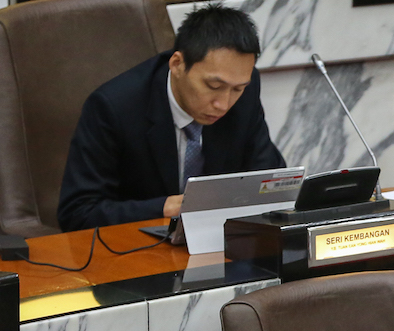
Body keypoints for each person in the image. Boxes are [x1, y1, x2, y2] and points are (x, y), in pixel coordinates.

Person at [57, 3, 286, 231]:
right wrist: (166, 208)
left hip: (217, 244)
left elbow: (269, 181)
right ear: (177, 64)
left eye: (237, 89)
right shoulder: (113, 107)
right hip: (136, 248)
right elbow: (78, 213)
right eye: (213, 85)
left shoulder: (246, 88)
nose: (223, 104)